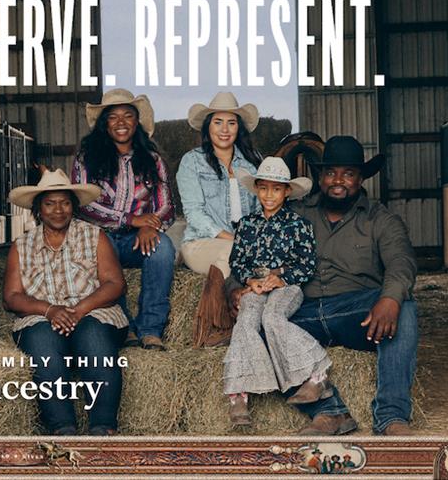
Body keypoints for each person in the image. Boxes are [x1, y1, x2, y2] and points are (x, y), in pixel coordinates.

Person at [228, 136, 418, 436]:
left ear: (361, 177)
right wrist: (235, 288)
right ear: (320, 177)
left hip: (353, 311)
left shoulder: (380, 218)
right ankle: (329, 411)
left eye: (348, 173)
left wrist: (391, 299)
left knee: (404, 309)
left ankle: (392, 417)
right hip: (300, 312)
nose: (338, 181)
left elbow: (402, 263)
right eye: (330, 173)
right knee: (256, 326)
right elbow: (252, 256)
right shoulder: (295, 213)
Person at [4, 169, 128, 435]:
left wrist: (78, 310)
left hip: (94, 313)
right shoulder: (21, 245)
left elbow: (115, 284)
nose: (58, 210)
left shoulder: (94, 236)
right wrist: (49, 311)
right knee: (40, 340)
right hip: (41, 316)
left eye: (65, 202)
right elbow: (12, 297)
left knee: (92, 335)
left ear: (74, 206)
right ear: (38, 209)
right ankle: (62, 429)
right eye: (49, 203)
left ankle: (103, 428)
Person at [222, 157, 332, 427]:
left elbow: (306, 264)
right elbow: (237, 261)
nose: (269, 195)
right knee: (246, 321)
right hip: (257, 285)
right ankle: (239, 396)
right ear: (257, 190)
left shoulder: (299, 225)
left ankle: (317, 372)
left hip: (287, 287)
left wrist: (282, 279)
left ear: (287, 192)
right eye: (263, 188)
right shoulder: (246, 225)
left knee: (271, 318)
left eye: (276, 189)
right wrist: (251, 281)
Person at [71, 89, 176, 350]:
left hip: (135, 241)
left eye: (127, 116)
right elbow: (84, 205)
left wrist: (150, 226)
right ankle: (124, 326)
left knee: (163, 248)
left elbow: (166, 207)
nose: (121, 122)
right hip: (99, 237)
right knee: (96, 250)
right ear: (104, 123)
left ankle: (151, 329)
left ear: (136, 122)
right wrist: (131, 220)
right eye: (113, 117)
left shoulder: (152, 160)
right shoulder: (87, 158)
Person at [176, 92, 262, 278]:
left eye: (231, 123)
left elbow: (260, 209)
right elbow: (194, 213)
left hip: (243, 242)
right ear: (208, 127)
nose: (225, 129)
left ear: (239, 128)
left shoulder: (251, 163)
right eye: (218, 122)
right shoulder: (192, 162)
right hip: (201, 242)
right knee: (231, 254)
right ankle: (217, 308)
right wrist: (234, 240)